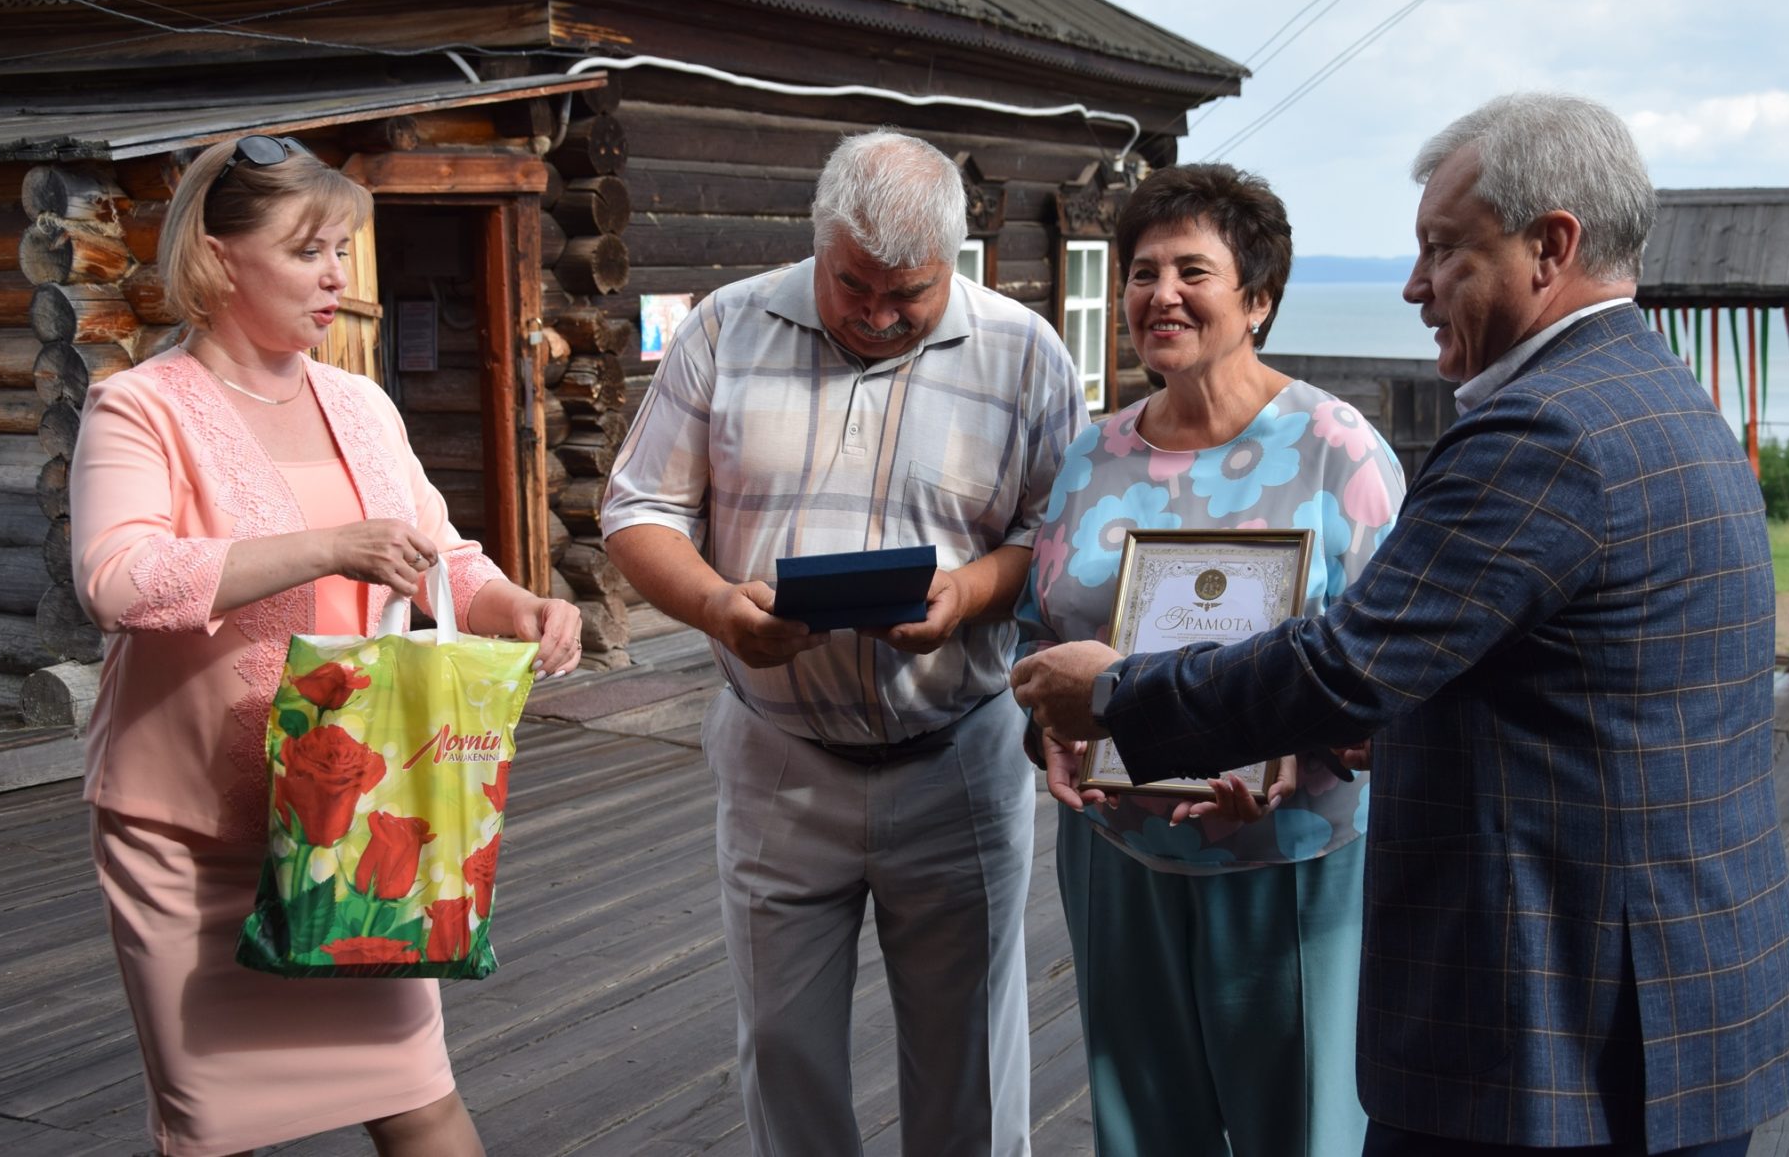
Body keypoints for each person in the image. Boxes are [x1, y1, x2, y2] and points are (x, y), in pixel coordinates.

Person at [1012, 94, 1789, 1157]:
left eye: (1442, 251)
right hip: (1667, 993)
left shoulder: (1539, 431)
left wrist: (1112, 696)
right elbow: (1541, 686)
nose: (1410, 286)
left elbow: (1348, 664)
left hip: (1555, 1023)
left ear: (1550, 246)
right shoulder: (1655, 397)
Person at [73, 133, 583, 1157]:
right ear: (218, 258)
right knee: (211, 1131)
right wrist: (326, 549)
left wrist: (513, 605)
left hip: (352, 833)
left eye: (342, 249)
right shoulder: (139, 405)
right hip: (192, 837)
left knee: (421, 1098)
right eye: (309, 250)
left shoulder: (359, 403)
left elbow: (437, 556)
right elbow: (116, 580)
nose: (338, 278)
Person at [602, 130, 1087, 1157]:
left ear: (954, 260)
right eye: (852, 285)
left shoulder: (1024, 350)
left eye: (906, 295)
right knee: (783, 1050)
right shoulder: (725, 327)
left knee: (969, 1059)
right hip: (777, 750)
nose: (876, 316)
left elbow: (1051, 537)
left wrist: (964, 595)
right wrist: (717, 611)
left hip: (957, 751)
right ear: (816, 242)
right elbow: (637, 508)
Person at [1016, 164, 1403, 1157]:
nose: (1159, 294)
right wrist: (1046, 732)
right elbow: (1037, 634)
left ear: (1258, 298)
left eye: (1193, 270)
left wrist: (1290, 748)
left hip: (1287, 857)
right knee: (1142, 1132)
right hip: (1118, 856)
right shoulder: (1091, 453)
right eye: (1141, 273)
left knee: (1303, 1129)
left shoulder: (1337, 452)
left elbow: (1391, 675)